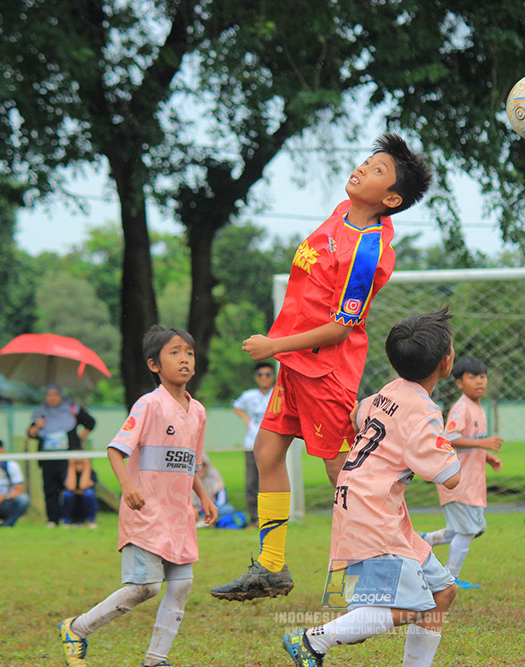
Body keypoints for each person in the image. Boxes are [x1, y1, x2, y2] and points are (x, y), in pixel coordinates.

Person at [211, 132, 432, 602]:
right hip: (296, 365)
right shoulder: (342, 213)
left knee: (348, 476)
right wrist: (283, 351)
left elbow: (339, 328)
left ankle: (416, 568)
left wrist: (274, 346)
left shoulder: (370, 250)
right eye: (366, 162)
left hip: (324, 371)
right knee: (268, 452)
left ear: (391, 198)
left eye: (377, 171)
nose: (362, 170)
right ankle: (271, 568)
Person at [282, 308, 460, 667]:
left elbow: (357, 414)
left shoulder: (389, 391)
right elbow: (450, 476)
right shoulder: (424, 413)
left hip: (373, 505)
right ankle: (313, 640)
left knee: (443, 591)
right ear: (447, 362)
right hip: (372, 510)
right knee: (409, 606)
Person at [58, 326, 217, 667]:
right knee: (145, 588)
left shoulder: (199, 412)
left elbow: (189, 464)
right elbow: (116, 450)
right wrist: (128, 487)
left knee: (181, 586)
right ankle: (76, 628)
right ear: (154, 365)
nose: (184, 359)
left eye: (188, 352)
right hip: (146, 513)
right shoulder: (148, 405)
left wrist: (203, 496)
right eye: (174, 352)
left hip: (179, 516)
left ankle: (155, 660)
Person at [421, 357, 502, 589]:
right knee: (468, 531)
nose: (479, 381)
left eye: (483, 377)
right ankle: (449, 579)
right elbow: (450, 437)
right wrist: (484, 443)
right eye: (472, 377)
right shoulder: (461, 407)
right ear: (458, 383)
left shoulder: (477, 408)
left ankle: (426, 539)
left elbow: (471, 443)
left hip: (472, 483)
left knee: (469, 529)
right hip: (457, 481)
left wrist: (487, 456)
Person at [28, 384, 96, 528]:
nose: (52, 398)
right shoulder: (41, 412)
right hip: (48, 459)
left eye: (55, 395)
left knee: (69, 487)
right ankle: (52, 519)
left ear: (60, 395)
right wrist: (38, 426)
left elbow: (90, 422)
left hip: (68, 458)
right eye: (49, 395)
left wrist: (79, 440)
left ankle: (71, 518)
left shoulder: (72, 409)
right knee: (50, 489)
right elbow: (31, 434)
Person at [231, 361, 276, 526]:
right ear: (256, 377)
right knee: (251, 482)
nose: (264, 378)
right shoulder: (249, 395)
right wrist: (245, 418)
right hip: (252, 444)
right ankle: (254, 519)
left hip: (273, 444)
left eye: (268, 374)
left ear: (273, 376)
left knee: (271, 481)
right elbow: (236, 406)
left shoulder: (277, 394)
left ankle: (271, 517)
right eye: (260, 375)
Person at [62, 458, 99, 528]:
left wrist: (87, 466)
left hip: (84, 498)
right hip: (73, 497)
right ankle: (67, 520)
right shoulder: (67, 473)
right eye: (76, 463)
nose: (79, 466)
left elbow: (83, 486)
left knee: (88, 494)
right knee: (67, 494)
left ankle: (91, 520)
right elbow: (71, 487)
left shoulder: (92, 473)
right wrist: (71, 467)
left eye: (81, 463)